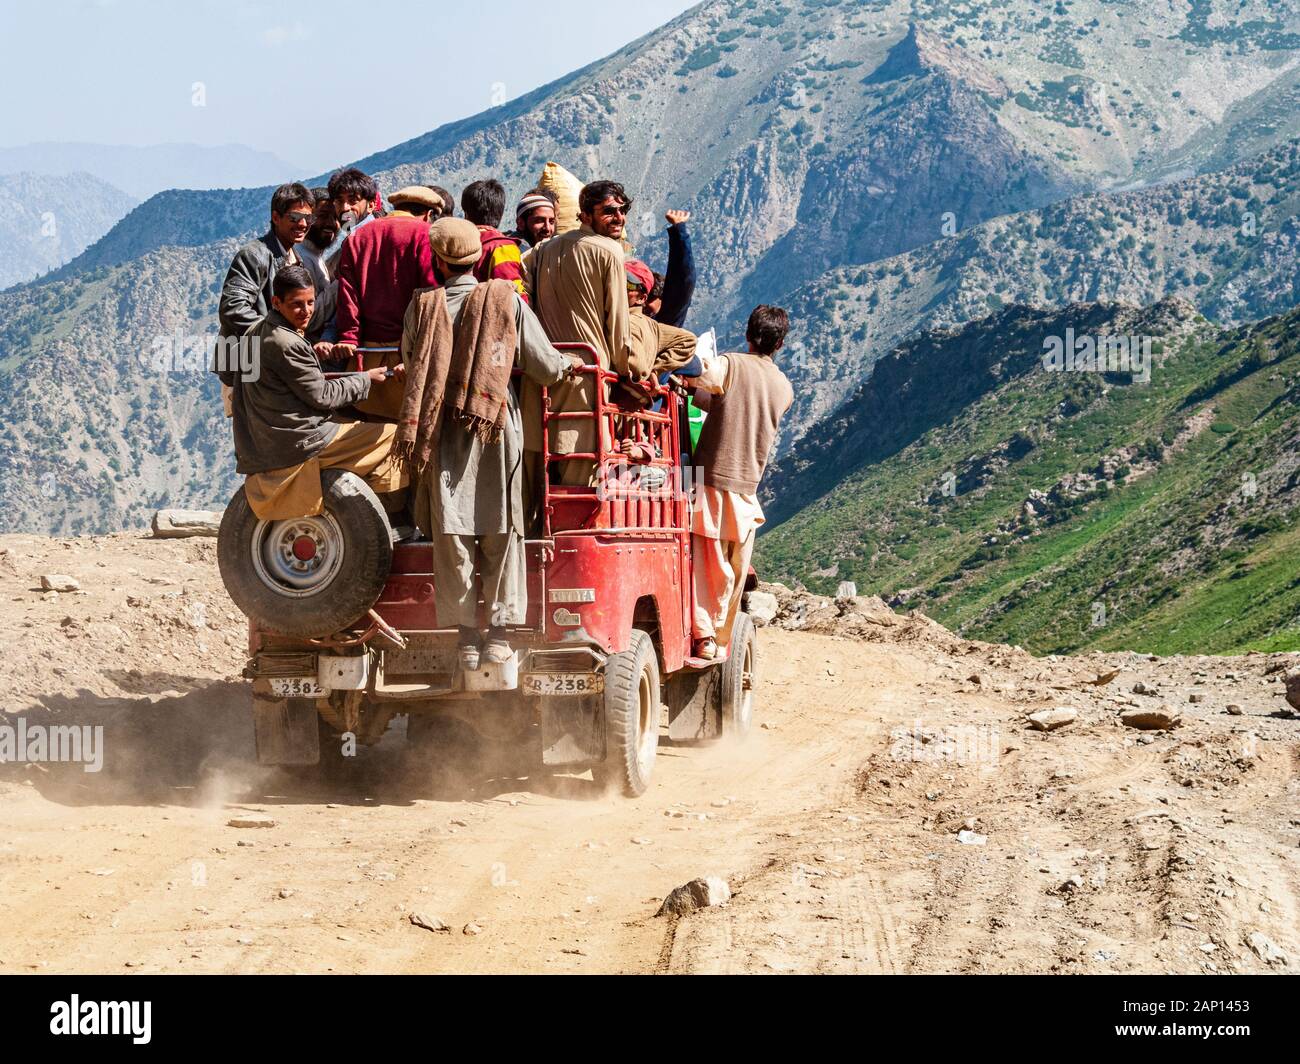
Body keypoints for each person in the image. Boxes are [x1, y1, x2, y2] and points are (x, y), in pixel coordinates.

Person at [397, 219, 582, 669]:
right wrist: (568, 365)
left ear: (438, 261)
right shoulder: (505, 300)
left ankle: (465, 637)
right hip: (496, 426)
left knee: (452, 529)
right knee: (503, 524)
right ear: (479, 258)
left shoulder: (421, 306)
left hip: (441, 431)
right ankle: (498, 635)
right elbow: (541, 362)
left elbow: (410, 359)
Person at [230, 265, 405, 520]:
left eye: (311, 302)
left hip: (265, 437)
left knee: (355, 425)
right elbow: (323, 396)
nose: (307, 311)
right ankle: (389, 514)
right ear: (276, 302)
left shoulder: (254, 332)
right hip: (298, 441)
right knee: (393, 435)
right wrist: (366, 378)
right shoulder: (287, 343)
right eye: (297, 304)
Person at [682, 305, 793, 660]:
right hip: (747, 489)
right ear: (780, 344)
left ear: (748, 335)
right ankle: (721, 635)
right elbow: (731, 405)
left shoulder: (729, 364)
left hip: (711, 479)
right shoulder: (784, 387)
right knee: (736, 566)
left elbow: (701, 380)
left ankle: (703, 635)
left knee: (708, 562)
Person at [523, 179, 633, 490]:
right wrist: (625, 373)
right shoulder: (610, 251)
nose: (620, 217)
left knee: (537, 473)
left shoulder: (541, 250)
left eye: (622, 210)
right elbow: (619, 329)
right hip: (586, 377)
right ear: (585, 214)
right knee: (581, 473)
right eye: (609, 211)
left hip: (541, 371)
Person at [214, 182, 327, 414]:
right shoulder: (254, 255)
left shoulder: (295, 259)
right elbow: (232, 308)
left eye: (309, 218)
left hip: (268, 369)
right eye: (295, 217)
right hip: (246, 369)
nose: (303, 224)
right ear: (276, 217)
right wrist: (277, 336)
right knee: (253, 443)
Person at [333, 184, 440, 419]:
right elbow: (431, 297)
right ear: (429, 214)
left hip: (366, 360)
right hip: (408, 360)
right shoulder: (424, 234)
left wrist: (348, 338)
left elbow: (348, 297)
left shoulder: (357, 237)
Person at [623, 257, 696, 383]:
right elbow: (689, 340)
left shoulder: (631, 323)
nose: (619, 286)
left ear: (642, 298)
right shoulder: (653, 325)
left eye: (627, 284)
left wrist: (655, 371)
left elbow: (638, 370)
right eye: (615, 278)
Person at [461, 179, 527, 301]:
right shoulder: (502, 247)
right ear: (500, 213)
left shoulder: (457, 245)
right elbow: (513, 297)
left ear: (466, 214)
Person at [324, 167, 380, 277]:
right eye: (339, 201)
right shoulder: (351, 239)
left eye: (353, 200)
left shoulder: (370, 240)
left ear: (371, 205)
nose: (345, 208)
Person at [646, 209, 696, 328]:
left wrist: (679, 232)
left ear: (662, 298)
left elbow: (684, 279)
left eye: (650, 298)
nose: (643, 303)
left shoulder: (666, 321)